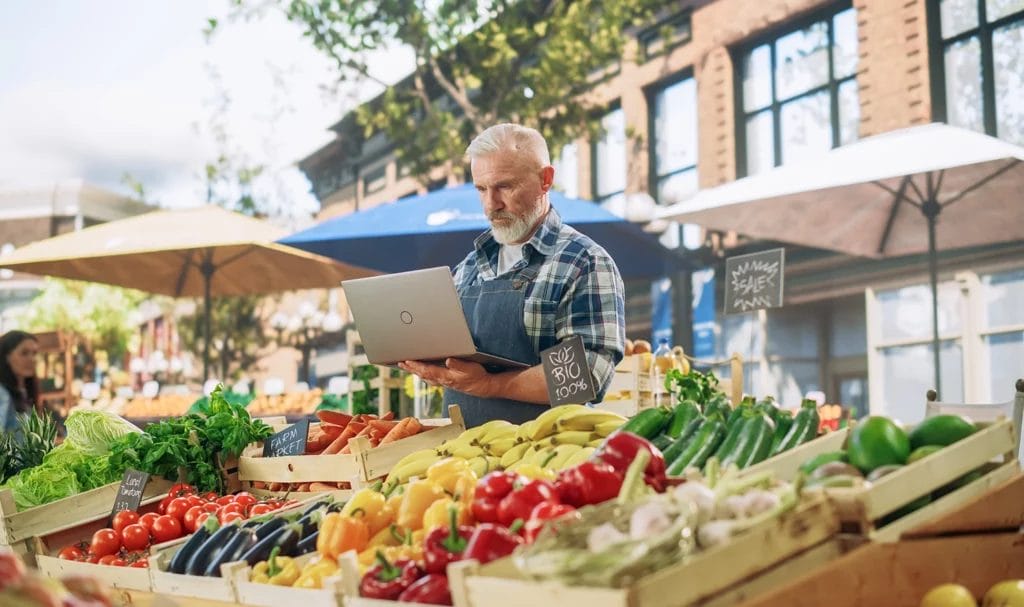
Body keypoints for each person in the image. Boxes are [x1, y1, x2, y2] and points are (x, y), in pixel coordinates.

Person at [400, 124, 626, 427]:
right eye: (481, 189)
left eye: (504, 186)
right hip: (461, 462)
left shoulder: (584, 262)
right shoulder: (468, 268)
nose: (491, 204)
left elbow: (586, 374)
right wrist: (432, 365)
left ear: (546, 179)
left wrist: (491, 385)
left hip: (545, 458)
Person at [0, 330, 41, 433]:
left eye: (34, 353)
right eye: (24, 353)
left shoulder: (25, 393)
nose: (32, 359)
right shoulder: (2, 394)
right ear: (7, 357)